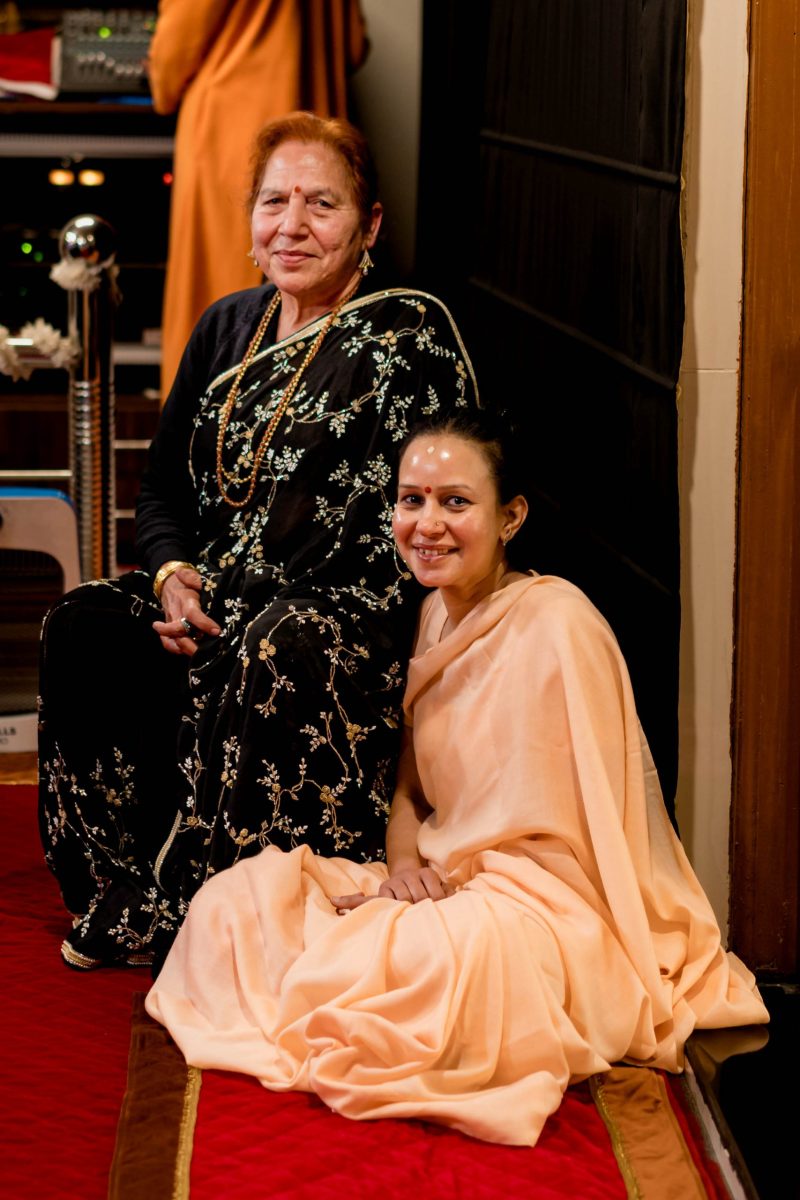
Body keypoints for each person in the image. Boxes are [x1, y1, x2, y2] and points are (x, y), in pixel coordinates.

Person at [146, 412, 768, 1148]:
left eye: (455, 502)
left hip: (543, 908)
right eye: (411, 500)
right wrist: (404, 871)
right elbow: (411, 790)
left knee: (443, 962)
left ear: (511, 518)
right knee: (236, 900)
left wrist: (461, 894)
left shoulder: (560, 623)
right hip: (448, 882)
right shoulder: (433, 614)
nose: (427, 524)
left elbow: (592, 842)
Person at [38, 113, 480, 971]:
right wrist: (173, 577)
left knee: (278, 640)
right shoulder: (227, 327)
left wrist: (257, 605)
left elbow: (443, 520)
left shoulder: (406, 338)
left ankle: (217, 905)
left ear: (369, 225)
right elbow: (162, 491)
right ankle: (121, 892)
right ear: (250, 218)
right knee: (83, 622)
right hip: (214, 600)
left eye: (322, 204)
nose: (293, 225)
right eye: (274, 201)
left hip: (337, 623)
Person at [148, 0, 368, 393]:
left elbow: (174, 57)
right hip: (321, 130)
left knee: (222, 311)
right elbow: (354, 45)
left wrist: (160, 80)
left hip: (232, 134)